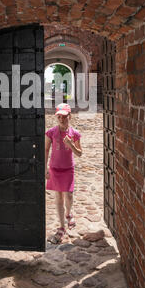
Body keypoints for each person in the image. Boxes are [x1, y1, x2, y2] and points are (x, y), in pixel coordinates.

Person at [45, 103, 82, 244]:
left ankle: (68, 213)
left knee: (69, 195)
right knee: (58, 196)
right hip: (55, 168)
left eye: (64, 116)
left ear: (69, 116)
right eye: (59, 116)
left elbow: (79, 154)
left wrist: (71, 145)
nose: (61, 119)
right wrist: (45, 168)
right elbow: (46, 150)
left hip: (68, 169)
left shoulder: (75, 134)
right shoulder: (51, 132)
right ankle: (61, 226)